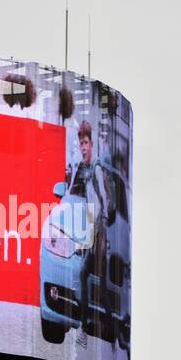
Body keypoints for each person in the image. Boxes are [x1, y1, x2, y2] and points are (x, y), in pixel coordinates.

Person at [67, 121, 108, 348]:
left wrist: (95, 231)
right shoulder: (81, 168)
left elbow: (104, 202)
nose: (83, 147)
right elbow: (73, 195)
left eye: (85, 143)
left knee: (86, 276)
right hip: (85, 232)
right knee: (87, 278)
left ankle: (85, 328)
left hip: (96, 234)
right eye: (80, 143)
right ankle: (92, 323)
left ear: (91, 144)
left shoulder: (97, 168)